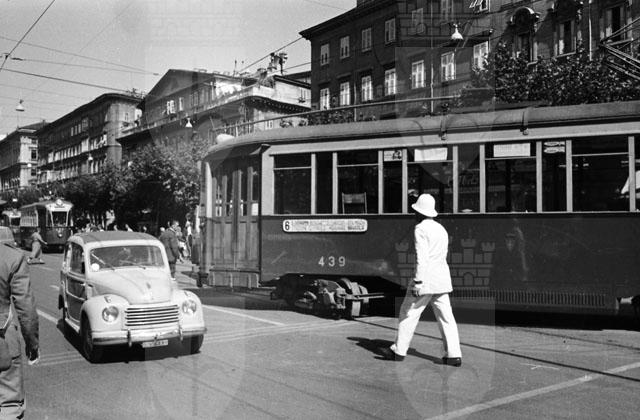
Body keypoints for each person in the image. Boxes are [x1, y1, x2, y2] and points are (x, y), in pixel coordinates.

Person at [380, 194, 462, 366]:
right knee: (446, 317)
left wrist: (418, 282)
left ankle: (399, 351)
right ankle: (454, 355)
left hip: (425, 280)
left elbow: (422, 258)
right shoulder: (441, 229)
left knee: (408, 313)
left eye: (416, 211)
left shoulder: (420, 229)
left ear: (419, 212)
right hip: (442, 280)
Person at [0, 242, 40, 417]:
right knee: (8, 406)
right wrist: (32, 345)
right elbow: (26, 309)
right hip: (3, 339)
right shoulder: (12, 257)